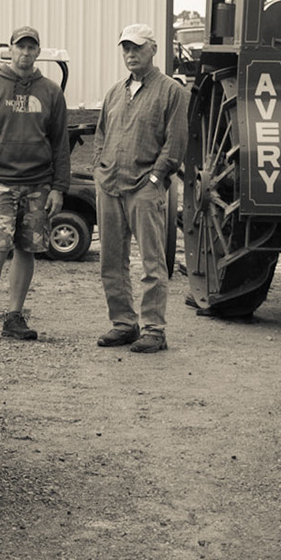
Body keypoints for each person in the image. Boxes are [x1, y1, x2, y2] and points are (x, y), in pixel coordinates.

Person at [93, 24, 188, 353]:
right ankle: (123, 323)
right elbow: (101, 134)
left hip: (144, 187)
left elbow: (175, 144)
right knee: (111, 261)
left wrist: (154, 179)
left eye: (137, 48)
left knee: (152, 262)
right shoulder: (114, 92)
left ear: (153, 50)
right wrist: (99, 168)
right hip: (109, 185)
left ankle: (154, 330)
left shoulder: (171, 91)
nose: (130, 54)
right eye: (125, 48)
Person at [0, 26, 69, 342]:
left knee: (27, 249)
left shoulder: (50, 91)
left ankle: (14, 317)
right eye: (20, 47)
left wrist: (59, 187)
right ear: (9, 50)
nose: (25, 53)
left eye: (31, 48)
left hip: (38, 185)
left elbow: (60, 142)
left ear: (38, 52)